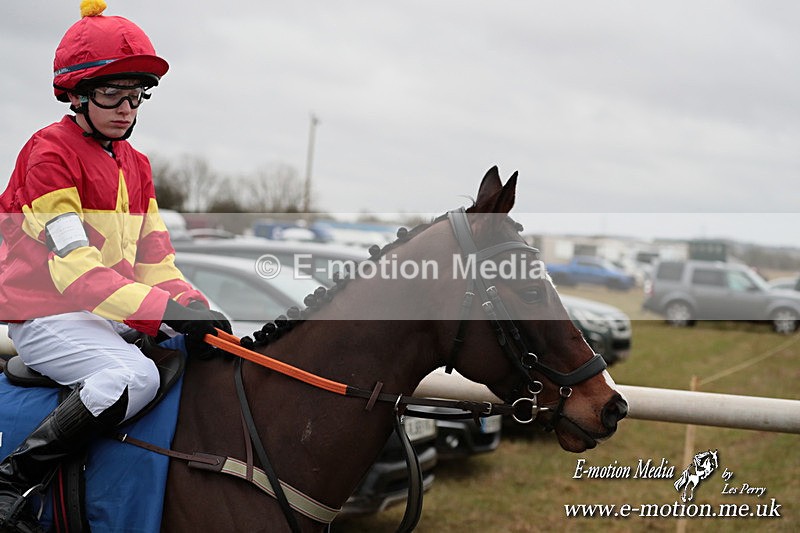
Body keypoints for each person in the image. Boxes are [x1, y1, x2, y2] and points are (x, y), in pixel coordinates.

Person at [0, 1, 231, 530]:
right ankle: (13, 478)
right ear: (76, 93)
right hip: (47, 316)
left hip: (104, 313)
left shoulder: (137, 165)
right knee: (134, 375)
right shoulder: (48, 154)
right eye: (112, 93)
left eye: (136, 95)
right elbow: (77, 271)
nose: (126, 108)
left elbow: (155, 263)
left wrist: (194, 308)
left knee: (201, 355)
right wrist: (161, 311)